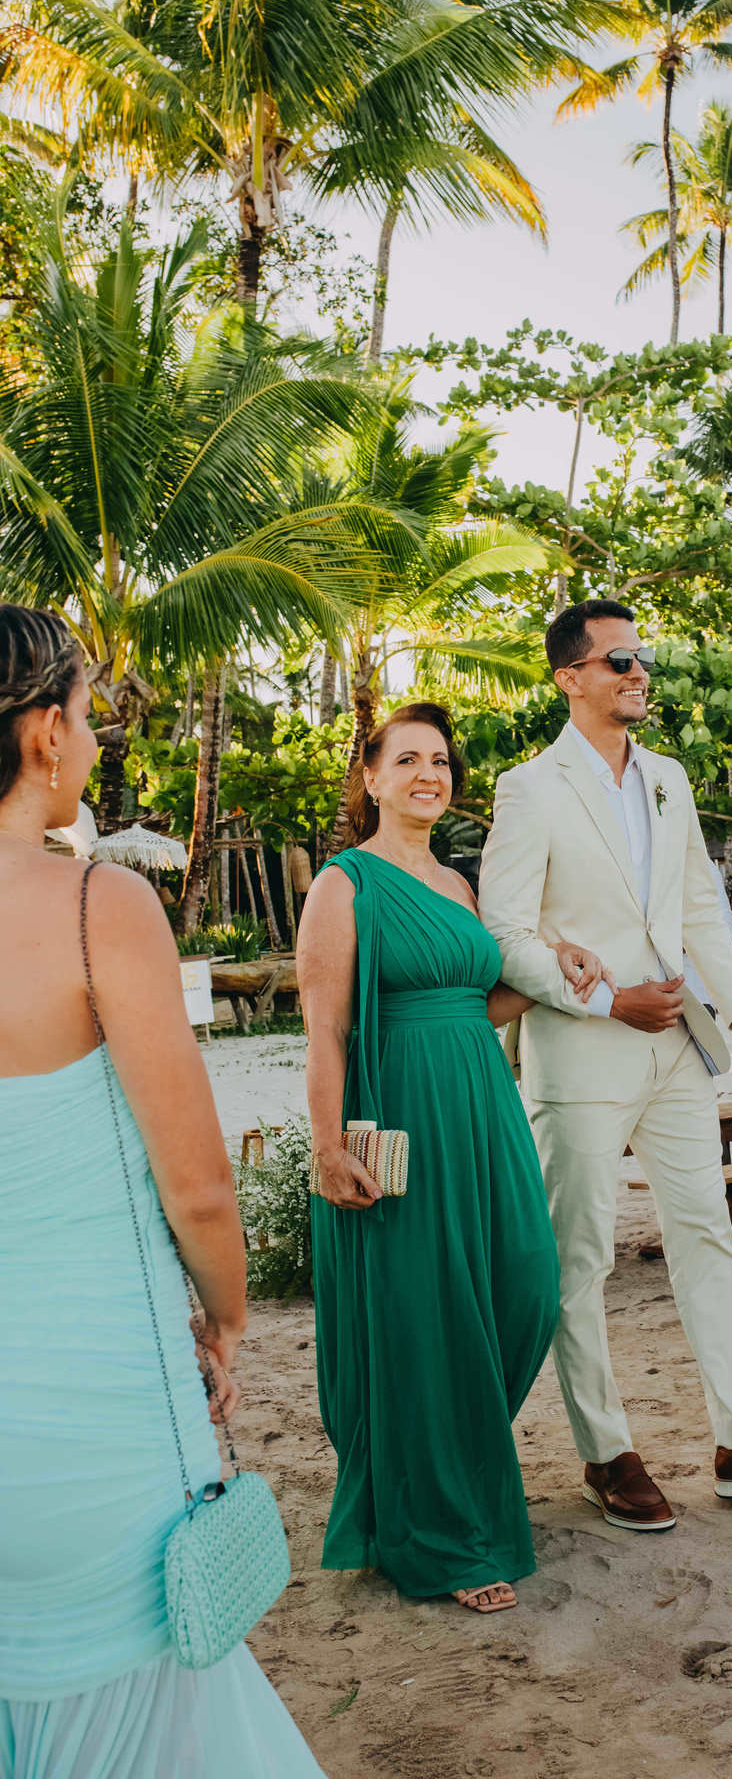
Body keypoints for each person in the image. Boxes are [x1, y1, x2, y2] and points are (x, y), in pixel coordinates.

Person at [0, 604, 323, 1776]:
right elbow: (198, 1188)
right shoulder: (96, 905)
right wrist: (229, 1319)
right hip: (93, 1420)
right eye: (88, 718)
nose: (94, 744)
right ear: (43, 735)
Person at [479, 600, 732, 1534]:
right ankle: (607, 1451)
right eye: (618, 661)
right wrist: (606, 1001)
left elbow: (693, 910)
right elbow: (507, 934)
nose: (638, 673)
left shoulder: (669, 780)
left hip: (680, 1047)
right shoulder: (530, 787)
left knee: (707, 1239)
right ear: (569, 677)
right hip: (583, 1053)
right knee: (582, 1256)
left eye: (642, 659)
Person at [298, 702, 605, 1616]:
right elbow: (325, 1030)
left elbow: (476, 1002)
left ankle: (442, 1469)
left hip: (481, 1106)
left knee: (524, 1286)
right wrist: (324, 1144)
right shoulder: (342, 884)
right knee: (428, 1319)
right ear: (371, 776)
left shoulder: (463, 886)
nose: (429, 774)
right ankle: (444, 1530)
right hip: (399, 1115)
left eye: (440, 761)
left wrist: (554, 966)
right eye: (408, 759)